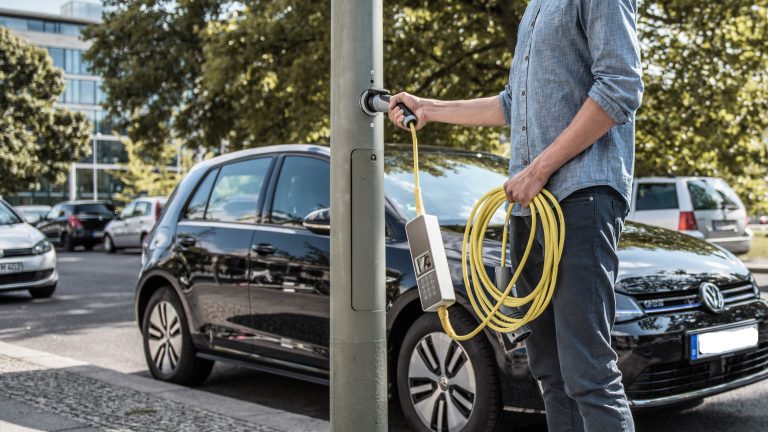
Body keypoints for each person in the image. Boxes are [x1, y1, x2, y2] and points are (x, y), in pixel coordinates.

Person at [388, 0, 643, 430]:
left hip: (581, 197)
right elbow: (513, 103)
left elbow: (620, 87)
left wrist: (539, 169)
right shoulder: (536, 8)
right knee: (549, 369)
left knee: (588, 372)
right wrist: (430, 108)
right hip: (530, 208)